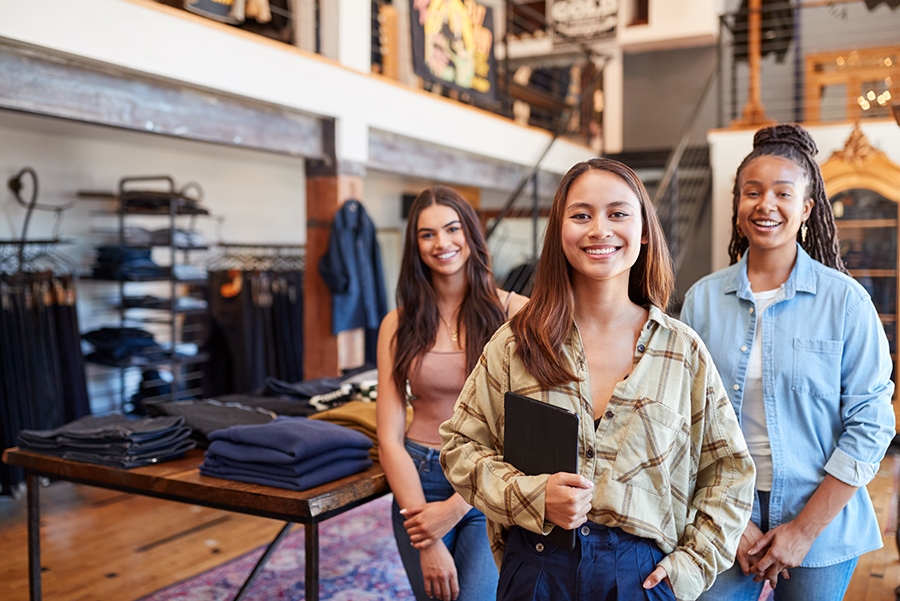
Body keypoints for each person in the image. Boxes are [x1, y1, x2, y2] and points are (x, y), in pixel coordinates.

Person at [440, 158, 756, 601]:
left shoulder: (681, 351)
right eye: (582, 215)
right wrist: (531, 495)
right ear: (560, 230)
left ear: (644, 230)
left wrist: (690, 565)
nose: (599, 230)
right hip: (536, 567)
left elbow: (729, 471)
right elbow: (459, 445)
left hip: (640, 576)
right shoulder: (517, 342)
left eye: (618, 213)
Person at [681, 123, 895, 601]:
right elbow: (684, 423)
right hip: (723, 513)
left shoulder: (846, 302)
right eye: (751, 192)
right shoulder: (701, 301)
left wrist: (803, 530)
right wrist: (726, 522)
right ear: (737, 206)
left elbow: (872, 423)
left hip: (823, 517)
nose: (765, 204)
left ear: (806, 209)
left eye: (783, 192)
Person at [376, 185, 528, 601]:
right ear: (416, 245)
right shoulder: (398, 323)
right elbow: (389, 438)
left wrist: (457, 506)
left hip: (488, 483)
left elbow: (528, 426)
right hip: (418, 479)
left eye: (452, 228)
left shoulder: (515, 312)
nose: (441, 243)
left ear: (471, 235)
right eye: (427, 234)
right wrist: (425, 537)